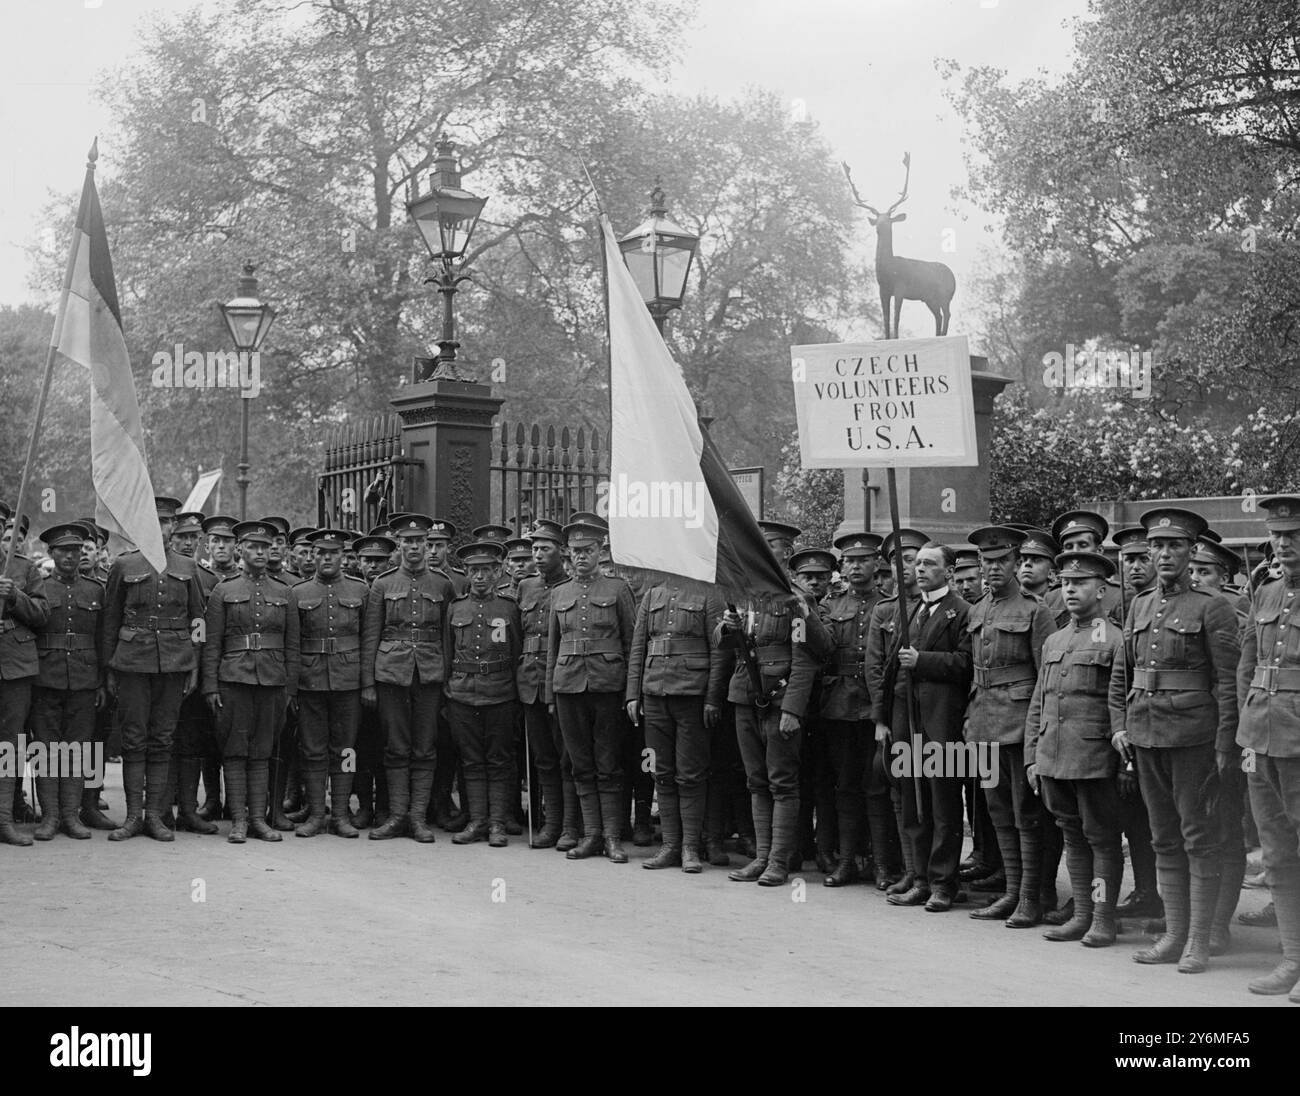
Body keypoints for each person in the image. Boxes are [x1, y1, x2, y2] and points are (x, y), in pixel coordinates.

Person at [1117, 507, 1239, 974]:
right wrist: (1124, 725)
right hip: (1147, 735)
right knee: (1163, 837)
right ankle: (1173, 933)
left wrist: (1225, 745)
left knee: (1198, 838)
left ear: (1191, 552)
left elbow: (1227, 683)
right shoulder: (1141, 604)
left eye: (1175, 546)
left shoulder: (1213, 606)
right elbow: (1126, 674)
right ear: (1148, 551)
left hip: (1194, 738)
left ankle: (1199, 941)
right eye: (1158, 546)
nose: (1165, 554)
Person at [1024, 550, 1126, 946]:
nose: (1069, 589)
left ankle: (1102, 918)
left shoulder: (1117, 639)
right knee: (1072, 837)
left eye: (1079, 583)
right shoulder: (1055, 639)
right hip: (1054, 757)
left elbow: (1119, 705)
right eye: (1065, 582)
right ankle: (1081, 914)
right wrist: (1033, 755)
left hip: (1093, 759)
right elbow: (1040, 701)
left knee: (1101, 839)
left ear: (1102, 591)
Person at [719, 547, 831, 888]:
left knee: (782, 782)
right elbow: (724, 644)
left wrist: (793, 709)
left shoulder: (795, 602)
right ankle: (762, 856)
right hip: (745, 696)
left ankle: (779, 861)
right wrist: (727, 628)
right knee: (756, 780)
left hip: (779, 699)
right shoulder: (746, 597)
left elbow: (806, 658)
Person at [966, 526, 1058, 927]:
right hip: (984, 721)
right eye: (987, 562)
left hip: (1020, 724)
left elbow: (1048, 678)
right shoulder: (977, 610)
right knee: (998, 812)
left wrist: (1039, 733)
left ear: (1016, 563)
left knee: (1027, 815)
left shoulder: (1037, 612)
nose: (993, 569)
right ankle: (1012, 892)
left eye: (1002, 561)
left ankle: (1031, 897)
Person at [102, 496, 204, 843]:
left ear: (173, 526)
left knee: (163, 739)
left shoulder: (187, 567)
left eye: (166, 522)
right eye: (154, 521)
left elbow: (197, 621)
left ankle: (155, 817)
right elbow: (110, 619)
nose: (160, 528)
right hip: (132, 663)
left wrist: (194, 664)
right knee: (134, 739)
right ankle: (132, 817)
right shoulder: (124, 565)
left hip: (175, 663)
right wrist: (110, 669)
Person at [877, 542, 973, 912]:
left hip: (942, 722)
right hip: (907, 719)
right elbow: (890, 668)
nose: (920, 569)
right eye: (917, 563)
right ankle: (919, 878)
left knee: (944, 804)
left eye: (929, 564)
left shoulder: (961, 612)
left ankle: (943, 884)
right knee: (915, 801)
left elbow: (966, 663)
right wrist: (884, 718)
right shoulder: (910, 610)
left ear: (948, 571)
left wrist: (924, 661)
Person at [1235, 495, 1300, 1000]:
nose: (1285, 544)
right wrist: (1244, 729)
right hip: (1261, 734)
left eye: (1294, 535)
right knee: (1277, 854)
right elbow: (1248, 664)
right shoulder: (1267, 591)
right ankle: (1292, 959)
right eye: (1278, 535)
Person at [202, 519, 301, 843]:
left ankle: (259, 819)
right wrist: (211, 687)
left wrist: (289, 689)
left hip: (272, 682)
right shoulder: (224, 590)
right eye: (253, 547)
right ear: (240, 549)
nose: (261, 552)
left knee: (262, 751)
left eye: (266, 546)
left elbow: (292, 645)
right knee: (235, 751)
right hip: (233, 679)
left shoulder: (284, 592)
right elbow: (212, 642)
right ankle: (239, 821)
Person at [546, 512, 637, 862]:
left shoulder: (617, 589)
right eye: (575, 551)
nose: (581, 557)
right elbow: (553, 649)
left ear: (602, 551)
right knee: (580, 764)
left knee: (608, 763)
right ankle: (591, 835)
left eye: (588, 550)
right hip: (568, 685)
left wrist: (631, 693)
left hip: (607, 685)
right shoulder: (560, 593)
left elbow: (631, 644)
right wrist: (552, 694)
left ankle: (613, 837)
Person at [361, 514, 454, 842]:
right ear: (398, 546)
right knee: (396, 746)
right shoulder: (383, 584)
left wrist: (448, 682)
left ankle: (417, 818)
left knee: (425, 747)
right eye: (407, 542)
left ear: (427, 544)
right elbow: (371, 635)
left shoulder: (442, 584)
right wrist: (368, 683)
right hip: (391, 674)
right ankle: (398, 815)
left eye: (419, 542)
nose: (414, 547)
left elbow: (447, 636)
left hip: (430, 673)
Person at [625, 575, 726, 873]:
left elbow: (720, 650)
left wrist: (713, 698)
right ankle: (670, 845)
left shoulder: (709, 594)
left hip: (693, 696)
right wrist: (633, 694)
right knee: (658, 770)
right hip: (654, 694)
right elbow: (638, 648)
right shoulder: (652, 596)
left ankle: (690, 848)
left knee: (691, 774)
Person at [293, 529, 371, 838]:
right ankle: (316, 815)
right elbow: (292, 644)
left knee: (346, 749)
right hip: (310, 680)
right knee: (312, 749)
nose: (327, 558)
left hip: (348, 681)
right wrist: (293, 686)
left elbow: (368, 640)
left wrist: (366, 684)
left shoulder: (360, 591)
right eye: (321, 553)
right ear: (312, 556)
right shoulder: (298, 593)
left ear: (343, 557)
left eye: (333, 553)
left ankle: (340, 815)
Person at [817, 533, 885, 886]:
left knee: (877, 784)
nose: (856, 566)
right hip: (840, 704)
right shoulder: (830, 606)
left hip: (876, 704)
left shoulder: (888, 605)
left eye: (863, 560)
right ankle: (846, 861)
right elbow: (824, 645)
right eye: (849, 561)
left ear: (877, 564)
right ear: (842, 568)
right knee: (845, 785)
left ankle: (880, 862)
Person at [865, 528, 929, 895]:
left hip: (931, 714)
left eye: (911, 558)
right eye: (896, 560)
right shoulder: (884, 611)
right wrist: (881, 719)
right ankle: (910, 869)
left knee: (929, 792)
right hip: (897, 714)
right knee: (900, 791)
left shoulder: (938, 606)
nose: (904, 567)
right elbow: (875, 669)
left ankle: (929, 873)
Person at [446, 541, 523, 846]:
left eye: (485, 571)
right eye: (473, 571)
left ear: (497, 572)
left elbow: (516, 652)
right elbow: (447, 651)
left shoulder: (508, 608)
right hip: (462, 694)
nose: (479, 577)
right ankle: (477, 821)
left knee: (499, 760)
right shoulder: (456, 608)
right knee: (471, 761)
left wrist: (514, 694)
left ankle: (497, 825)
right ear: (466, 573)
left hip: (500, 694)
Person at [29, 522, 101, 841]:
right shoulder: (40, 588)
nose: (71, 556)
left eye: (76, 550)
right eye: (63, 550)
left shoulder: (95, 589)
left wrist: (101, 681)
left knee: (76, 749)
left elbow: (103, 638)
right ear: (51, 553)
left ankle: (71, 816)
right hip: (47, 677)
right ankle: (50, 817)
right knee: (46, 749)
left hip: (85, 679)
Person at [516, 519, 577, 849]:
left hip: (561, 681)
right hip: (529, 681)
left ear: (561, 552)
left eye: (545, 548)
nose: (538, 555)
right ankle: (551, 824)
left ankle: (568, 826)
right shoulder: (525, 587)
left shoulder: (569, 587)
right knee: (543, 759)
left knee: (567, 757)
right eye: (535, 549)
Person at [0, 503, 49, 845]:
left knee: (8, 746)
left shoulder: (25, 569)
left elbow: (43, 614)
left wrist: (14, 597)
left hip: (15, 666)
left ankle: (4, 820)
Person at [351, 533, 397, 829]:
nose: (374, 566)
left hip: (387, 677)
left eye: (380, 561)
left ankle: (384, 808)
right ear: (359, 563)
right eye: (368, 561)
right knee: (358, 747)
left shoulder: (392, 590)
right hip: (351, 681)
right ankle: (364, 805)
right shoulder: (352, 591)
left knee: (385, 745)